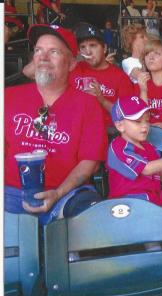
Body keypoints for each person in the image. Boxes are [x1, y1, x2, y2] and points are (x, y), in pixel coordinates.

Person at [4, 24, 107, 225]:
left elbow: (90, 161)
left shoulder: (87, 105)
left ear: (71, 63)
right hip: (11, 194)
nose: (43, 57)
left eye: (53, 52)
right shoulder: (8, 97)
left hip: (67, 195)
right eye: (38, 50)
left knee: (95, 218)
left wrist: (58, 193)